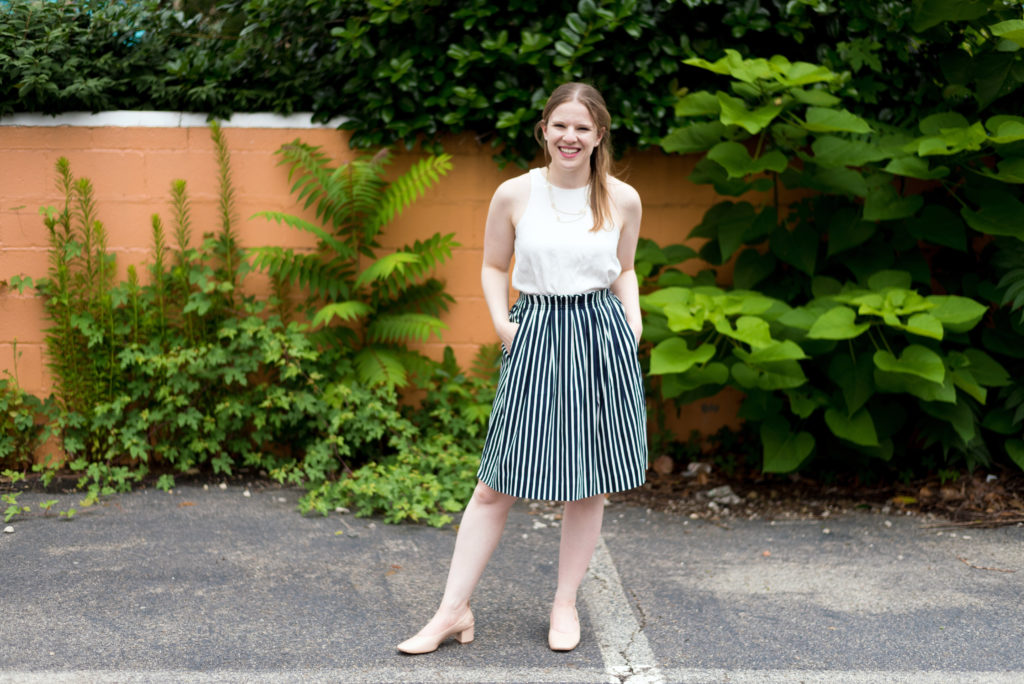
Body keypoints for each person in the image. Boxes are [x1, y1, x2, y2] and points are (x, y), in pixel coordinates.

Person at [397, 82, 648, 655]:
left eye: (582, 127)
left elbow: (625, 269)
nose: (570, 136)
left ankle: (564, 605)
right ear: (543, 129)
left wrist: (633, 323)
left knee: (591, 484)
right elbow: (491, 265)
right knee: (493, 486)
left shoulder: (622, 199)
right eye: (560, 125)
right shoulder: (514, 193)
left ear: (599, 135)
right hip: (534, 331)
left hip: (600, 335)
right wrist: (501, 324)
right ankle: (452, 611)